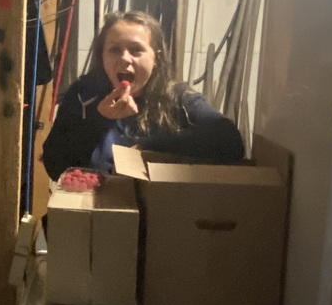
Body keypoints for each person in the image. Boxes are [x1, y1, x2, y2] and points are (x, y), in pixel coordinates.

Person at [42, 11, 245, 180]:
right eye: (114, 50)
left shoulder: (178, 98)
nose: (124, 59)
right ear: (102, 56)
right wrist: (97, 121)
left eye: (136, 50)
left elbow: (231, 143)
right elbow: (54, 165)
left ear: (155, 58)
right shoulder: (83, 95)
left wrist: (144, 148)